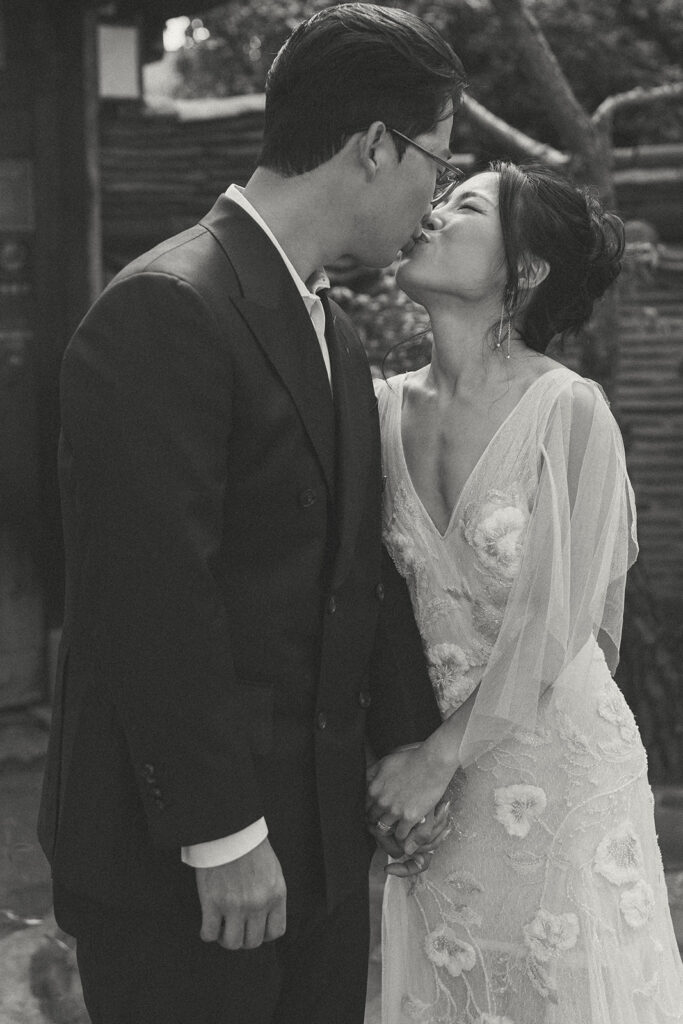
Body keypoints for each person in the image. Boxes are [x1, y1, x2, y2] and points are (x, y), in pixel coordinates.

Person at [37, 6, 465, 1023]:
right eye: (436, 166)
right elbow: (149, 594)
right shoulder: (167, 307)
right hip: (183, 867)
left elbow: (348, 569)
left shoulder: (337, 331)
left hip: (314, 857)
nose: (435, 198)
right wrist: (221, 833)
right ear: (373, 146)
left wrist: (411, 750)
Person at [367, 162, 683, 1023]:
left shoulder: (567, 411)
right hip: (433, 789)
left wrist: (433, 762)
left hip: (553, 769)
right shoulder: (375, 410)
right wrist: (398, 758)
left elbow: (553, 626)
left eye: (464, 206)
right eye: (438, 200)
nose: (431, 215)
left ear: (526, 270)